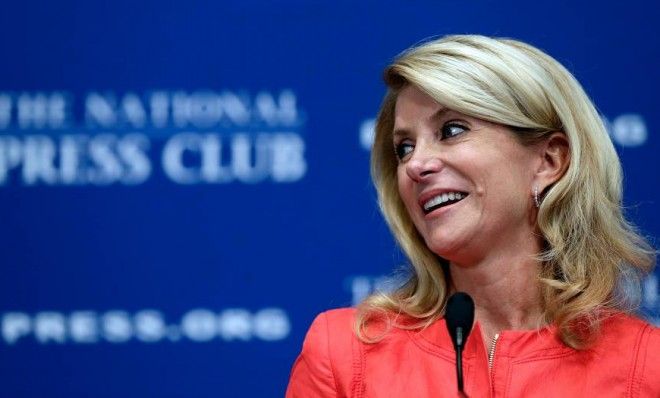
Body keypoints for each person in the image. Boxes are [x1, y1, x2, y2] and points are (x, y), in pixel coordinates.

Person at [286, 35, 659, 397]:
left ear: (549, 161)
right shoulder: (345, 354)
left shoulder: (646, 366)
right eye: (404, 148)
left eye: (451, 130)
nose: (416, 164)